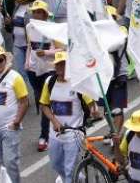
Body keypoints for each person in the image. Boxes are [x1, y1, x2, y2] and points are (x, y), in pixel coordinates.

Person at [40, 52, 96, 183]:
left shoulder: (78, 83)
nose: (60, 67)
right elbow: (44, 105)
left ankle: (72, 179)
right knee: (55, 164)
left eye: (63, 64)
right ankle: (80, 178)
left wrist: (94, 110)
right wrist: (54, 121)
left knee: (69, 170)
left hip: (74, 134)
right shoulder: (50, 82)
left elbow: (91, 103)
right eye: (58, 64)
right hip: (55, 134)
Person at [0, 46, 29, 183]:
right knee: (0, 163)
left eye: (0, 60)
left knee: (10, 162)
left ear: (5, 60)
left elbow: (24, 102)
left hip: (9, 128)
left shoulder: (15, 77)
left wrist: (16, 122)